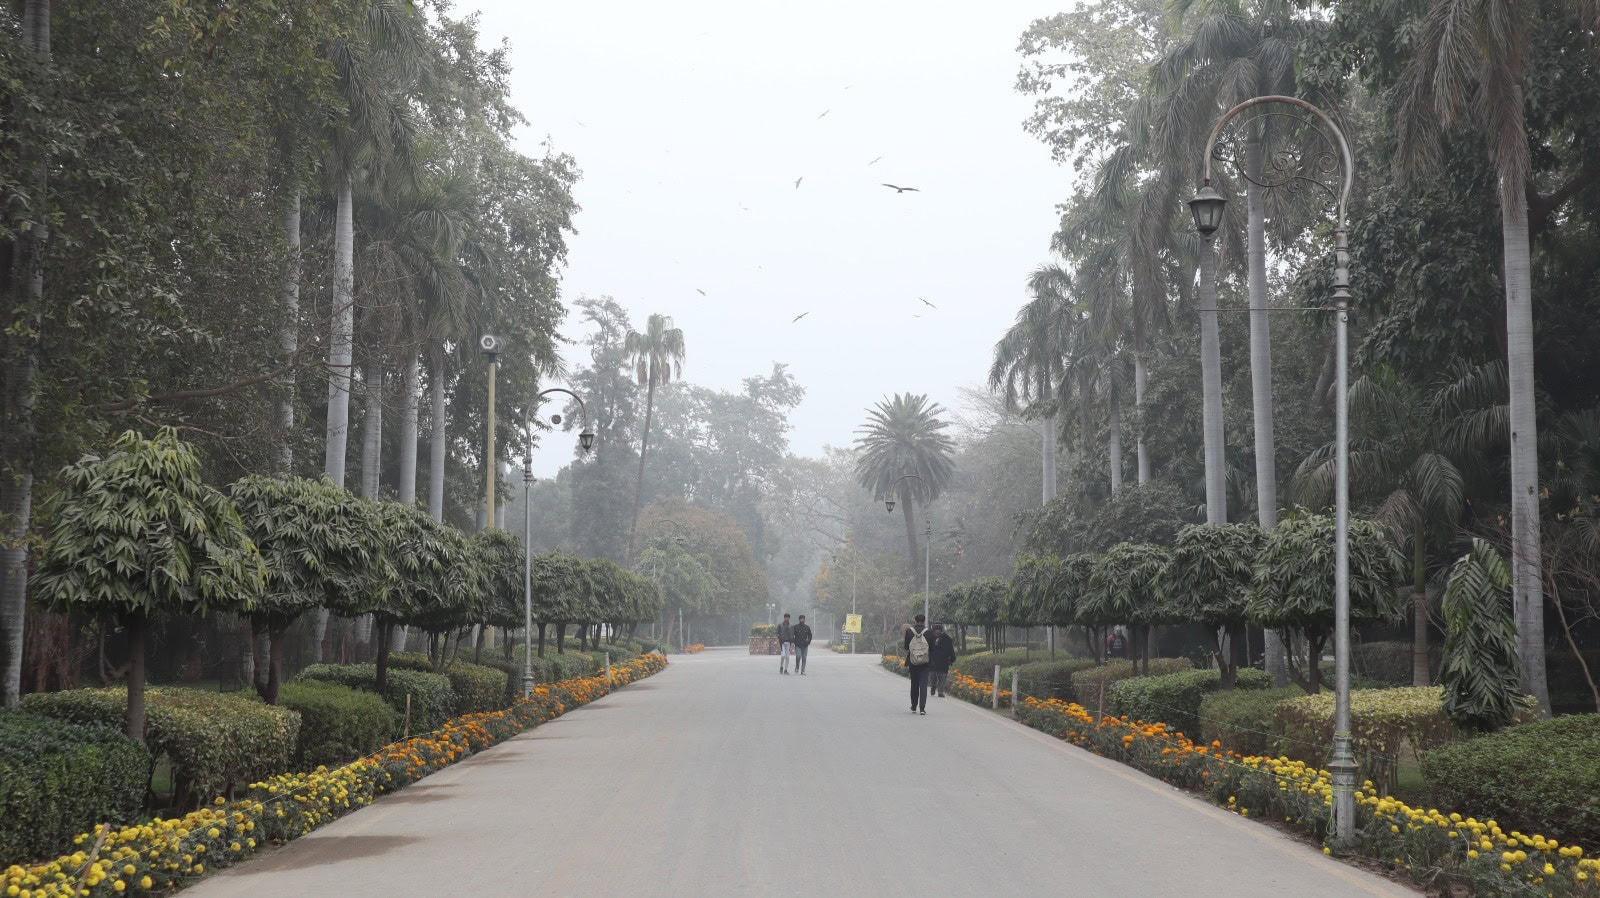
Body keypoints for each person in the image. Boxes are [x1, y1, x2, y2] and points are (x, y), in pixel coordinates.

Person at [903, 614, 932, 714]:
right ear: (924, 621)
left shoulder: (909, 631)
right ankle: (922, 708)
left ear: (915, 621)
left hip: (913, 661)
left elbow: (906, 647)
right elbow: (932, 648)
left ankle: (914, 706)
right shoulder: (929, 632)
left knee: (914, 684)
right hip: (925, 662)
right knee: (923, 685)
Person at [927, 622, 956, 697]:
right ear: (933, 630)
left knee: (943, 676)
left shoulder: (947, 639)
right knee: (932, 676)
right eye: (935, 629)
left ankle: (940, 691)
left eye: (939, 629)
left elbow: (951, 650)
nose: (937, 631)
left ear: (941, 629)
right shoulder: (930, 638)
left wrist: (952, 659)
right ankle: (933, 686)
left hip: (943, 661)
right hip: (933, 661)